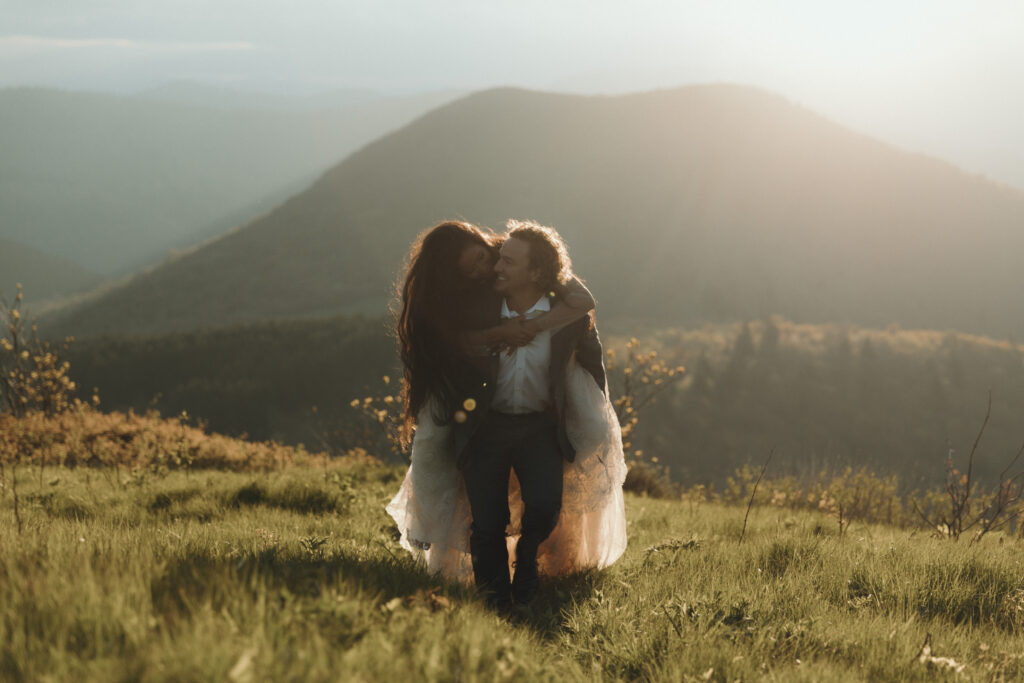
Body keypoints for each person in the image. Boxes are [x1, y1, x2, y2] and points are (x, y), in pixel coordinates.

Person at [387, 219, 627, 608]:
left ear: (533, 269)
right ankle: (495, 599)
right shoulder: (477, 304)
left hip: (540, 427)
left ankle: (528, 561)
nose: (490, 269)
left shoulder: (562, 310)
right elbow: (447, 341)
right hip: (487, 426)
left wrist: (534, 326)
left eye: (489, 259)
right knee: (486, 520)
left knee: (546, 505)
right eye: (474, 270)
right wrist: (499, 334)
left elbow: (586, 313)